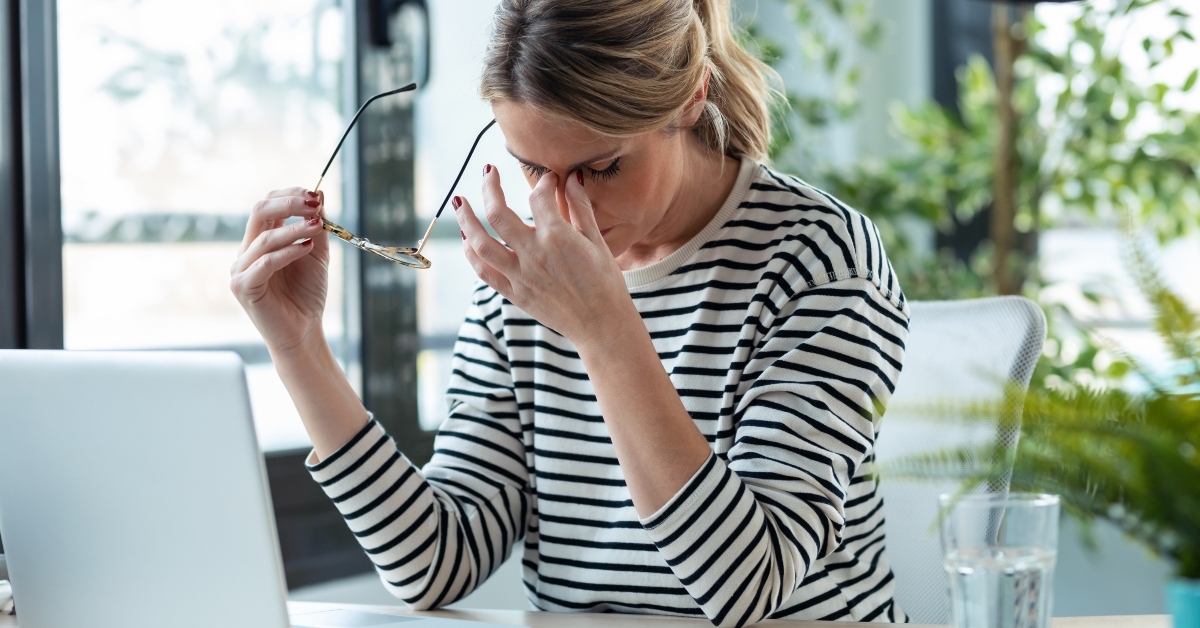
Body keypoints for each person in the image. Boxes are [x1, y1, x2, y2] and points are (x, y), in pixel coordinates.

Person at [230, 0, 909, 624]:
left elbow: (748, 586)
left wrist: (603, 329)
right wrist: (299, 349)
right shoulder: (525, 279)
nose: (560, 208)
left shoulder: (818, 259)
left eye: (602, 168)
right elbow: (434, 563)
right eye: (530, 168)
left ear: (691, 98)